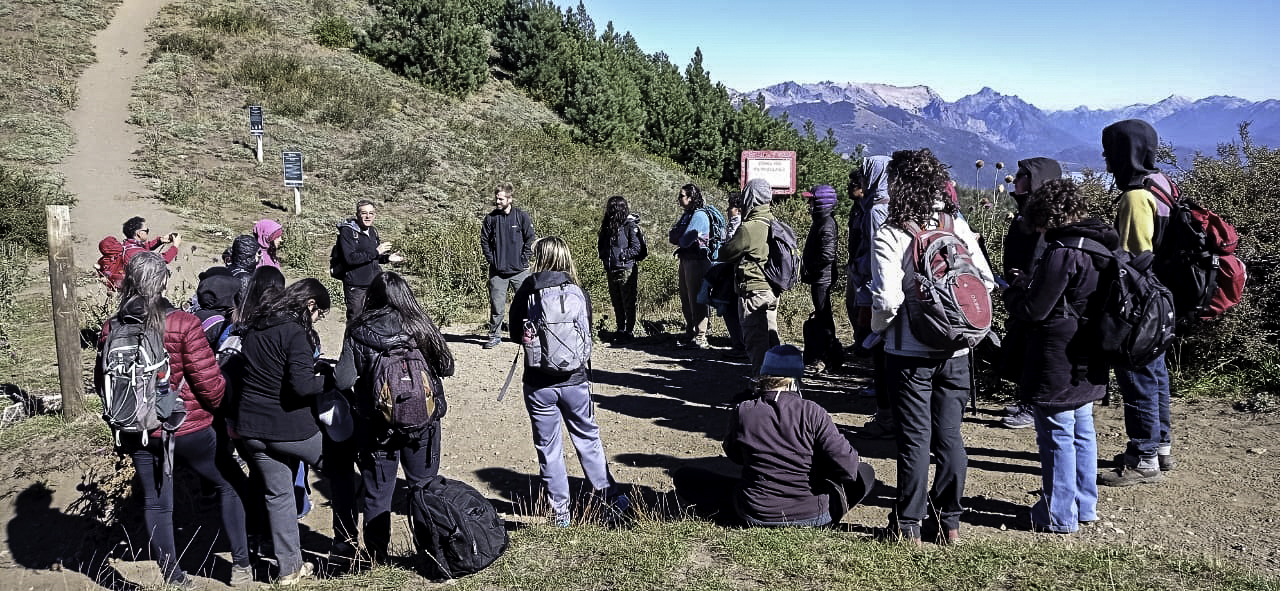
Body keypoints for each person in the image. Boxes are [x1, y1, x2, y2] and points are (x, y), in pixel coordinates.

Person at [94, 252, 251, 587]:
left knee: (156, 501)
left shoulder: (114, 325)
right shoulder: (184, 323)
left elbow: (101, 380)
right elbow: (209, 386)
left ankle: (174, 576)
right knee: (229, 483)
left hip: (137, 428)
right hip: (187, 427)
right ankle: (240, 567)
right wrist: (224, 411)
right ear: (163, 281)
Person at [870, 149, 994, 544]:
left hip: (908, 353)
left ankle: (908, 525)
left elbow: (888, 300)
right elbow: (986, 283)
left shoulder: (891, 232)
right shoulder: (954, 223)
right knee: (950, 437)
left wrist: (879, 332)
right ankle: (949, 523)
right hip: (957, 350)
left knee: (914, 439)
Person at [1002, 179, 1112, 533]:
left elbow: (1036, 309)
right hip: (1091, 350)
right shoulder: (1101, 245)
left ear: (1045, 214)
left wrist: (1015, 292)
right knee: (1082, 428)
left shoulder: (1063, 251)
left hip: (1058, 353)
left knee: (1056, 432)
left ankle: (1058, 513)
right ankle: (1084, 505)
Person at [508, 236, 629, 526]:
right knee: (588, 439)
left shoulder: (528, 288)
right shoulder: (579, 292)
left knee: (549, 448)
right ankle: (610, 500)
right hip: (576, 380)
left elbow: (514, 332)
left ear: (539, 257)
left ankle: (560, 513)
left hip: (539, 383)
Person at [335, 271, 455, 563]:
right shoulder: (420, 324)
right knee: (423, 488)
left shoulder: (358, 329)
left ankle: (378, 558)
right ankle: (431, 552)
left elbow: (342, 379)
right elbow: (447, 366)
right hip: (423, 423)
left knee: (378, 492)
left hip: (377, 425)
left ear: (371, 296)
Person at [233, 278, 333, 584]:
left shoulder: (254, 326)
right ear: (310, 305)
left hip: (251, 429)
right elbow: (301, 386)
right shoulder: (295, 332)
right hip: (289, 429)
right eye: (320, 314)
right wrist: (330, 381)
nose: (317, 320)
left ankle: (289, 570)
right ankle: (350, 545)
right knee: (340, 466)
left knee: (278, 495)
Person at [1098, 119, 1175, 486]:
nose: (1105, 158)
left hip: (1139, 303)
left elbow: (1131, 258)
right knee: (1156, 374)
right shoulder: (1160, 184)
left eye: (1110, 150)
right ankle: (1159, 447)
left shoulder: (1133, 197)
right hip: (1161, 301)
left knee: (1137, 375)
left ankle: (1143, 457)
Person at [722, 345, 878, 527]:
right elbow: (848, 468)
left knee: (688, 478)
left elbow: (734, 454)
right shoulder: (813, 412)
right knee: (865, 472)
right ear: (795, 379)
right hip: (812, 515)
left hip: (755, 512)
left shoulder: (744, 410)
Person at [999, 158, 1064, 430]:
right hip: (1020, 285)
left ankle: (1032, 404)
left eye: (1022, 175)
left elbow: (1039, 256)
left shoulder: (1044, 218)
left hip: (1032, 290)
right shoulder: (1027, 211)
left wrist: (1028, 283)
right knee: (1023, 344)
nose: (1016, 179)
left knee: (1033, 346)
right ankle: (1026, 398)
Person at [846, 156, 894, 439]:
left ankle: (886, 416)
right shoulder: (893, 204)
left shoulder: (877, 210)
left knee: (878, 348)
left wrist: (857, 267)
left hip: (876, 288)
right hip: (887, 288)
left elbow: (879, 255)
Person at [718, 178, 780, 380]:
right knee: (771, 341)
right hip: (772, 290)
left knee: (756, 344)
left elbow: (726, 253)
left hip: (753, 290)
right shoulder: (774, 223)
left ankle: (760, 390)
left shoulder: (749, 227)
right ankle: (777, 388)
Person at [481, 182, 535, 349]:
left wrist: (523, 260)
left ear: (510, 199)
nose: (497, 202)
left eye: (501, 199)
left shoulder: (521, 217)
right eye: (496, 198)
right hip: (498, 272)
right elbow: (484, 242)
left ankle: (526, 334)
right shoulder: (490, 218)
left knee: (526, 305)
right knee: (497, 306)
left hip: (520, 271)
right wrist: (493, 261)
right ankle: (494, 335)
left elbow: (530, 239)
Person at [337, 200, 404, 324]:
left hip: (374, 284)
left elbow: (374, 257)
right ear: (357, 215)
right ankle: (350, 343)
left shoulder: (372, 231)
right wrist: (376, 252)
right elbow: (350, 259)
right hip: (356, 286)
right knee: (356, 321)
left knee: (374, 319)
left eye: (371, 213)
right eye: (364, 213)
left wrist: (387, 258)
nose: (368, 216)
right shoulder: (347, 232)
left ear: (375, 215)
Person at [667, 183, 714, 349]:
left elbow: (685, 239)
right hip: (686, 259)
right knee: (686, 298)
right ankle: (691, 331)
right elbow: (673, 236)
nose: (679, 199)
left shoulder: (699, 216)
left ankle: (701, 335)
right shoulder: (687, 215)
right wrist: (679, 236)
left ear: (690, 197)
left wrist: (679, 236)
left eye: (681, 196)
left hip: (697, 261)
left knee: (696, 298)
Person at [800, 184, 839, 371]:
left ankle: (827, 357)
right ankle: (825, 356)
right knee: (823, 316)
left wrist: (810, 268)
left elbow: (827, 255)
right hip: (820, 278)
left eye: (812, 200)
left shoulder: (826, 223)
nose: (809, 204)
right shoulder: (822, 221)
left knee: (824, 318)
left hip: (822, 279)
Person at [596, 196, 643, 344]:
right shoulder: (608, 226)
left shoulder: (629, 225)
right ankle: (620, 329)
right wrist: (605, 258)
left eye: (612, 207)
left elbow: (636, 247)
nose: (609, 210)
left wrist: (623, 256)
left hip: (626, 269)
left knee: (628, 301)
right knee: (617, 302)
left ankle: (629, 331)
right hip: (611, 268)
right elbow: (602, 245)